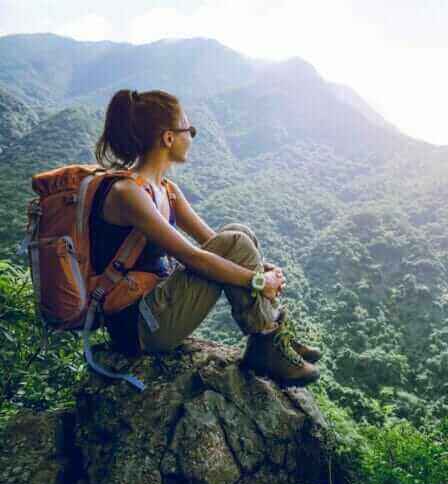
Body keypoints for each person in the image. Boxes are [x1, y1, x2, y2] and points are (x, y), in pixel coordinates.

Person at [91, 88, 321, 386]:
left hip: (157, 305)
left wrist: (259, 269)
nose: (192, 137)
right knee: (236, 242)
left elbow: (214, 241)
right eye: (190, 130)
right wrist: (259, 282)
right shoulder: (128, 194)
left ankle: (270, 336)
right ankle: (266, 341)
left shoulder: (166, 190)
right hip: (138, 325)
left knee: (240, 233)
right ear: (168, 138)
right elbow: (195, 257)